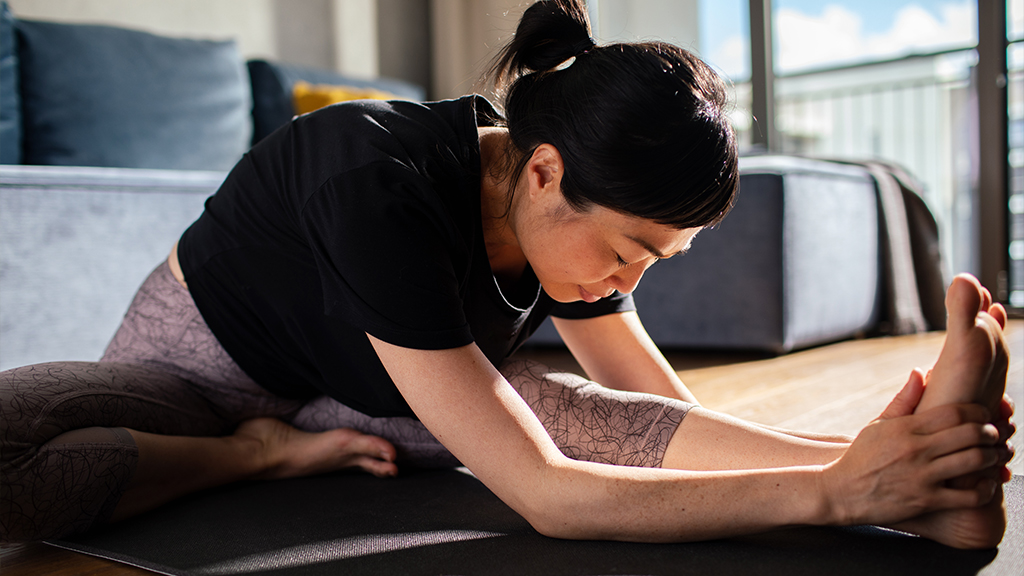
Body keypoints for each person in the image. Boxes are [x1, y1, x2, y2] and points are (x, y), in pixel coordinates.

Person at [0, 0, 1014, 549]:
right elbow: (549, 499)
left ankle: (918, 488)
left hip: (362, 396)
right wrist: (829, 498)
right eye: (626, 251)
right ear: (541, 171)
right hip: (201, 378)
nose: (628, 279)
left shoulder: (569, 205)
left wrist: (873, 457)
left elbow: (648, 406)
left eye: (652, 261)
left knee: (569, 408)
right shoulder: (370, 178)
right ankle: (256, 457)